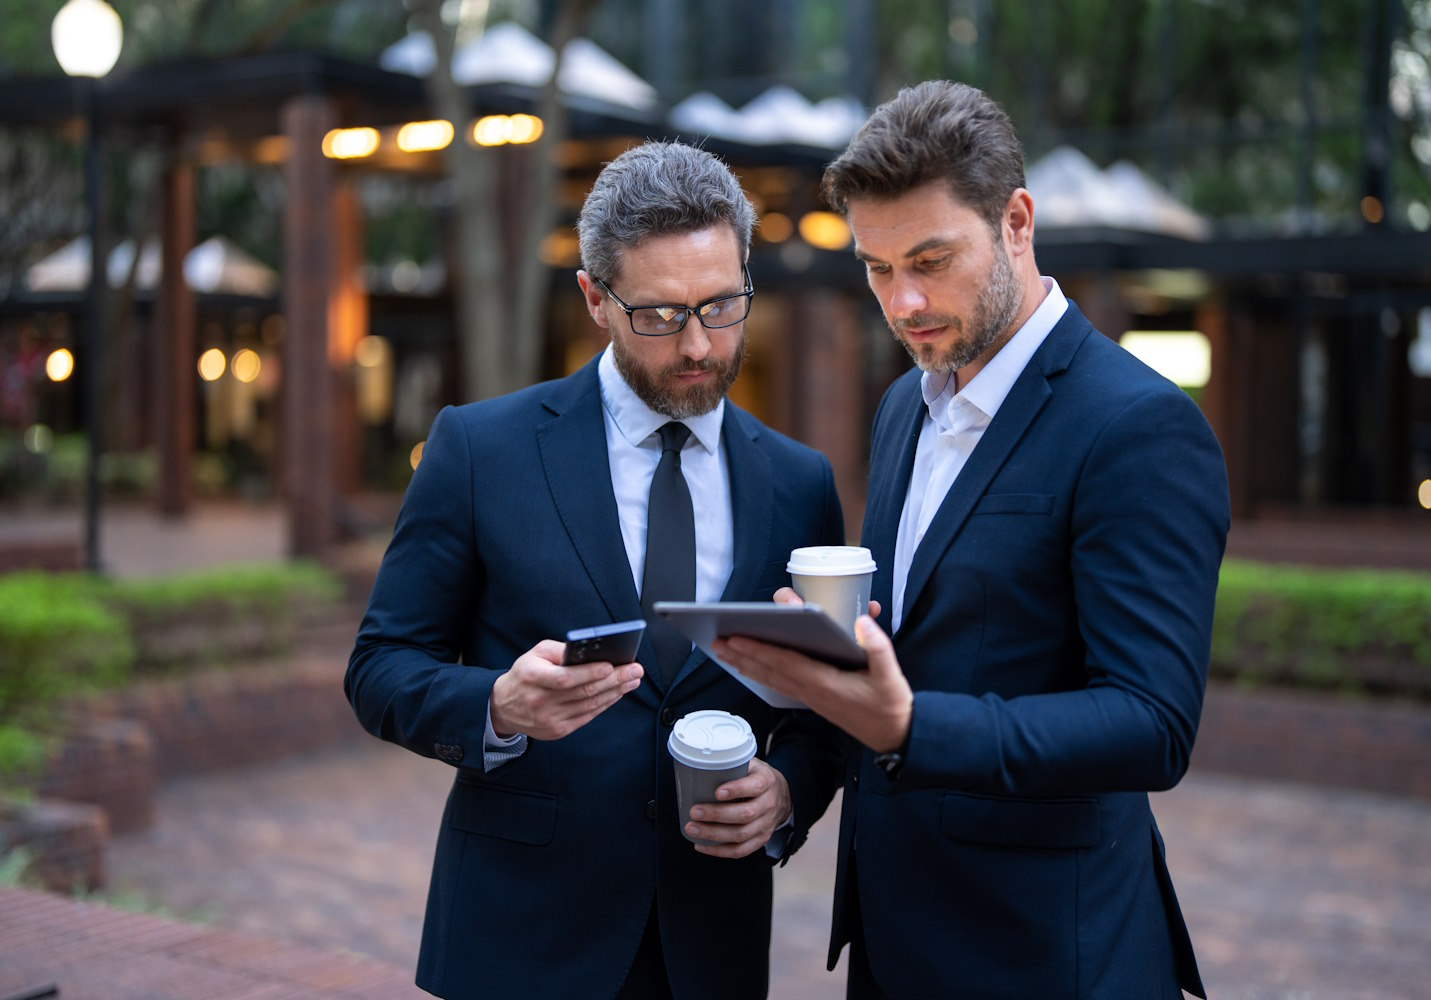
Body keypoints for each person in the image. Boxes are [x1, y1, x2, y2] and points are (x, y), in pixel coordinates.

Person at [714, 81, 1230, 999]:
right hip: (891, 939)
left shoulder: (1139, 427)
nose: (904, 300)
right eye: (876, 268)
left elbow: (1152, 725)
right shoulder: (901, 411)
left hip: (1044, 953)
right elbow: (905, 651)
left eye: (932, 258)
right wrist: (809, 722)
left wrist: (909, 725)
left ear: (1018, 222)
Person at [346, 140, 846, 1000]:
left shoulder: (801, 483)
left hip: (712, 945)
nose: (698, 345)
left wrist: (789, 792)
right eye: (659, 315)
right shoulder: (479, 449)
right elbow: (381, 667)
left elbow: (826, 693)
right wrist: (496, 706)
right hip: (520, 940)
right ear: (593, 298)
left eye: (723, 306)